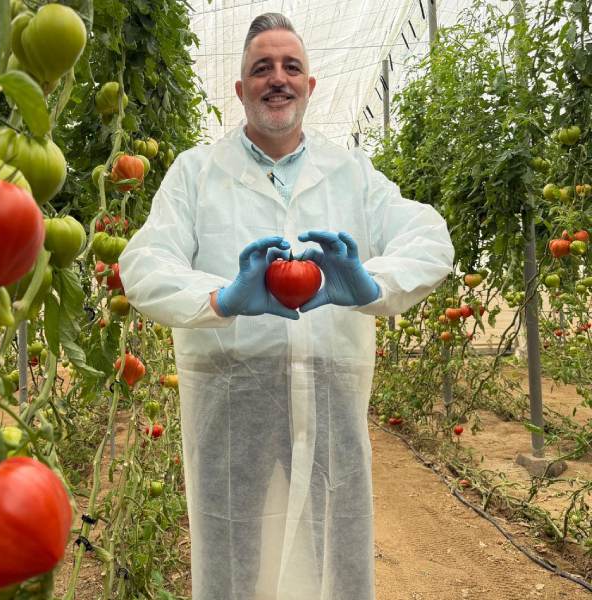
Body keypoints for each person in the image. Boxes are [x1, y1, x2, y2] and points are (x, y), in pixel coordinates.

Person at [118, 12, 454, 600]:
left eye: (291, 66)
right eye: (262, 68)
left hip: (331, 402)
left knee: (337, 555)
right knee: (231, 559)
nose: (278, 78)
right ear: (241, 89)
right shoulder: (196, 174)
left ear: (310, 85)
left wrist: (368, 284)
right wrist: (218, 299)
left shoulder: (351, 174)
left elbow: (430, 240)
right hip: (230, 405)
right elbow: (143, 264)